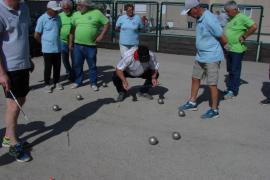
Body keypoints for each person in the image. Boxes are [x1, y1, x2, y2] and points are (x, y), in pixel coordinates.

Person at [178, 0, 227, 119]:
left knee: (212, 84)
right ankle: (192, 102)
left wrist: (221, 52)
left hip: (212, 57)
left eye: (189, 12)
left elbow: (223, 38)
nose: (189, 15)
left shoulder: (209, 19)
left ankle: (214, 110)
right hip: (200, 55)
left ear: (196, 8)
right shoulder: (199, 18)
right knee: (195, 78)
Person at [0, 0, 34, 162]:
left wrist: (28, 59)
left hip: (23, 64)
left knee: (21, 99)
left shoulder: (24, 7)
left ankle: (8, 136)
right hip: (9, 68)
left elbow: (22, 36)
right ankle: (13, 144)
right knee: (13, 105)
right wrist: (1, 73)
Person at [69, 0, 109, 91]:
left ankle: (93, 83)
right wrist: (70, 43)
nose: (78, 7)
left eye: (80, 5)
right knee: (77, 64)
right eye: (77, 5)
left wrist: (102, 35)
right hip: (78, 45)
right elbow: (72, 29)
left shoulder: (96, 13)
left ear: (86, 5)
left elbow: (106, 23)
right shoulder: (76, 14)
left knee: (92, 65)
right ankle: (78, 81)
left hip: (90, 46)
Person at [223, 1, 257, 99]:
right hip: (229, 48)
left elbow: (254, 26)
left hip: (237, 50)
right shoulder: (231, 18)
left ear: (234, 9)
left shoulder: (242, 17)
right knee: (230, 70)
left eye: (228, 11)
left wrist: (245, 36)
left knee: (235, 70)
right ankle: (230, 88)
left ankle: (233, 91)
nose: (226, 13)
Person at [34, 1, 63, 93]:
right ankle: (47, 84)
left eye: (57, 10)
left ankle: (57, 81)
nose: (56, 12)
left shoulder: (58, 18)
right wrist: (43, 44)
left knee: (57, 66)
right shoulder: (42, 19)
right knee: (48, 67)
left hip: (57, 47)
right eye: (55, 10)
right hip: (47, 49)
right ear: (49, 9)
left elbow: (58, 30)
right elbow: (36, 35)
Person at [59, 0, 74, 81]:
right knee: (65, 59)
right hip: (62, 41)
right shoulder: (59, 15)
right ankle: (69, 72)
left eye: (67, 8)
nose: (66, 9)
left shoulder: (75, 15)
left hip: (74, 41)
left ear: (70, 7)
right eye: (64, 8)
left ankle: (74, 73)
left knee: (74, 59)